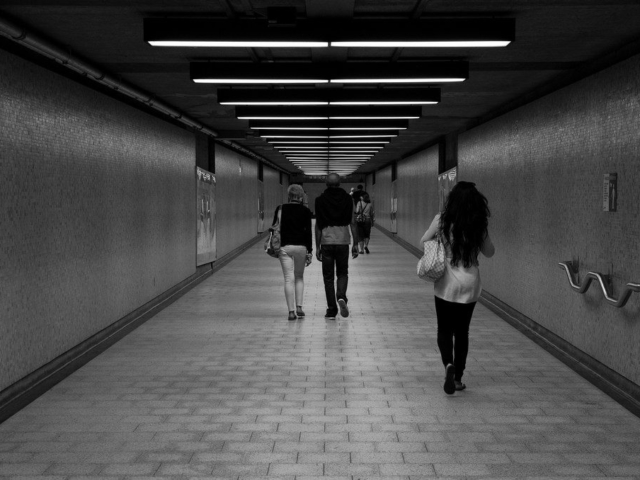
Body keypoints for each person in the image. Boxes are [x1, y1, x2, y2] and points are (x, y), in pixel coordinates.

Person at [420, 181, 495, 394]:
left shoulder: (442, 220)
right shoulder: (478, 224)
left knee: (444, 328)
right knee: (462, 331)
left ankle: (448, 365)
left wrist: (441, 242)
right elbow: (490, 252)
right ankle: (459, 377)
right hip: (470, 282)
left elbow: (423, 241)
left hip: (446, 282)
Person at [315, 173, 359, 320]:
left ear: (326, 183)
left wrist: (317, 246)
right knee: (342, 272)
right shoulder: (348, 199)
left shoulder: (320, 200)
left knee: (328, 277)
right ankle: (341, 296)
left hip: (326, 242)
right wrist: (356, 243)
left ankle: (331, 309)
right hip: (343, 241)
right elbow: (352, 222)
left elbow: (318, 225)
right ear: (339, 183)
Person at [272, 184, 313, 321]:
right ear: (301, 197)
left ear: (289, 196)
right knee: (299, 276)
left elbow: (274, 228)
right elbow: (308, 233)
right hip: (301, 247)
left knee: (288, 278)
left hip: (284, 247)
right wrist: (310, 251)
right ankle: (299, 307)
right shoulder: (305, 211)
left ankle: (291, 312)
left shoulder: (280, 209)